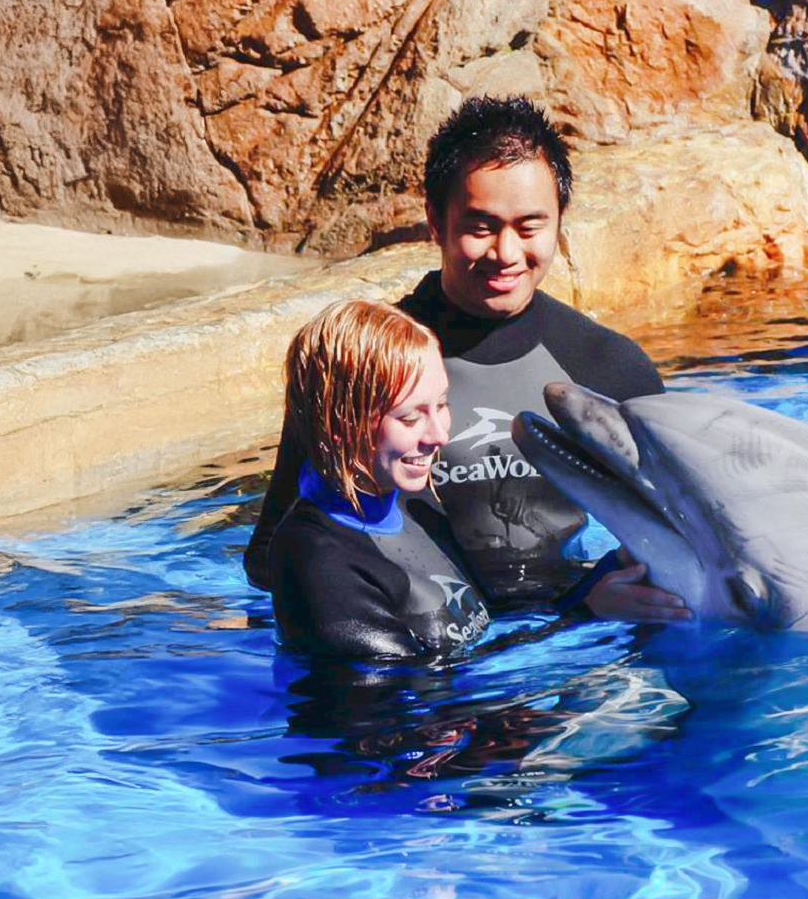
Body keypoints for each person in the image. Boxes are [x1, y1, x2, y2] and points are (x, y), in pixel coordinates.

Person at [247, 95, 691, 625]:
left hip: (569, 643)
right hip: (422, 644)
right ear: (435, 220)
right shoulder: (367, 368)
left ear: (560, 223)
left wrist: (580, 607)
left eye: (530, 227)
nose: (506, 253)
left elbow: (682, 533)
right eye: (481, 227)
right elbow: (273, 554)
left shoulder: (607, 367)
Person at [267, 299, 491, 658]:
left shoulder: (413, 500)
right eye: (409, 418)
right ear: (341, 425)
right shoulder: (321, 564)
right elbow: (397, 696)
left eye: (442, 405)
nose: (439, 436)